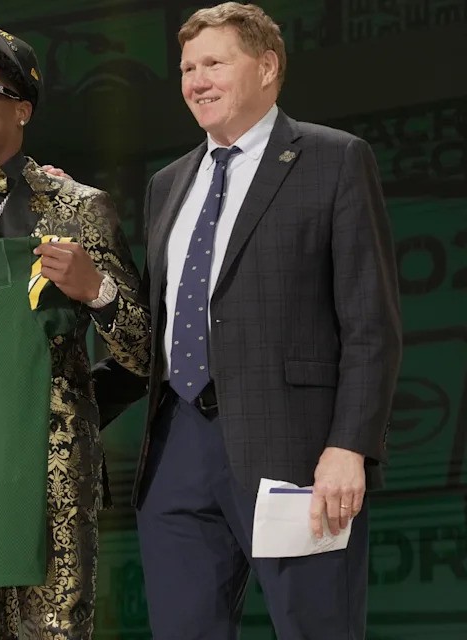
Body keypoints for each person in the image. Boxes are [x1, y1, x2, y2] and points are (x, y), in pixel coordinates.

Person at [88, 3, 402, 638]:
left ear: (266, 67)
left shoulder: (333, 160)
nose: (196, 80)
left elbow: (371, 322)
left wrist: (350, 447)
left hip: (299, 454)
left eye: (213, 63)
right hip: (174, 451)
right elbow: (157, 328)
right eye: (186, 68)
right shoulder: (167, 183)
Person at [0, 22, 151, 640]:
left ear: (22, 108)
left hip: (53, 482)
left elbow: (146, 354)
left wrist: (97, 291)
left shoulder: (77, 207)